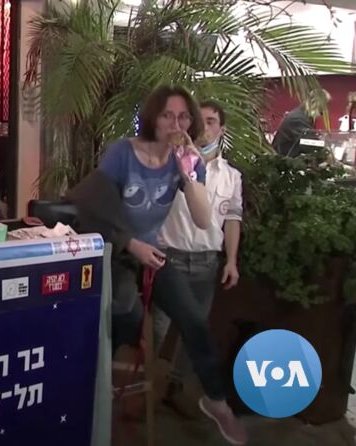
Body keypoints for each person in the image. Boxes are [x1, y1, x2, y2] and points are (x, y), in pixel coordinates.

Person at [67, 85, 246, 445]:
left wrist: (189, 172)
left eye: (183, 117)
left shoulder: (184, 162)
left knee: (193, 318)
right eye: (167, 115)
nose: (175, 124)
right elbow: (91, 205)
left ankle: (216, 401)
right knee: (125, 314)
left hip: (151, 254)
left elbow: (202, 219)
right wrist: (131, 244)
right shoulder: (124, 152)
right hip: (115, 250)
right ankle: (88, 392)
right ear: (153, 117)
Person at [155, 100, 243, 415]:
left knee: (194, 332)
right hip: (169, 260)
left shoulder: (231, 176)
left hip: (207, 263)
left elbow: (232, 219)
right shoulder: (171, 164)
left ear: (222, 129)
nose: (204, 127)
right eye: (199, 120)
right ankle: (144, 390)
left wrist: (231, 260)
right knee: (158, 330)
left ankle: (175, 388)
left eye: (211, 121)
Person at [272, 90, 330, 157]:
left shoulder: (303, 115)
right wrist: (326, 152)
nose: (323, 111)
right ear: (315, 104)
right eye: (323, 107)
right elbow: (310, 143)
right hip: (283, 159)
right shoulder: (298, 119)